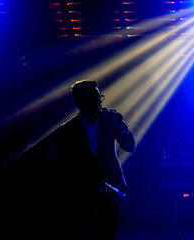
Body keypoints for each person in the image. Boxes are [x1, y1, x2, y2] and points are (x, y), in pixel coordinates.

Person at [56, 80, 135, 240]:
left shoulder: (109, 117)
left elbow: (129, 146)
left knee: (107, 233)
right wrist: (102, 187)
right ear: (80, 101)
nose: (100, 100)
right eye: (95, 96)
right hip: (83, 189)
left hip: (113, 186)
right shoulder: (68, 129)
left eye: (100, 96)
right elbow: (76, 165)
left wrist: (121, 127)